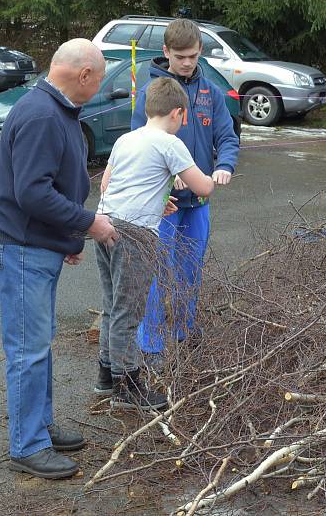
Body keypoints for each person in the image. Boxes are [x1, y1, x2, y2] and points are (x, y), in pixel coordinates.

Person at [0, 38, 118, 479]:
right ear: (83, 75)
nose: (97, 90)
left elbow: (49, 187)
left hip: (36, 245)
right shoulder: (42, 114)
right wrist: (86, 224)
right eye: (97, 81)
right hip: (21, 247)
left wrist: (65, 239)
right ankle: (27, 445)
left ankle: (37, 425)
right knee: (28, 348)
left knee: (38, 343)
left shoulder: (54, 109)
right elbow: (33, 192)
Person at [93, 77, 214, 410]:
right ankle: (127, 385)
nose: (184, 122)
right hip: (133, 234)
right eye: (184, 116)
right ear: (176, 113)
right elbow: (201, 188)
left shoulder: (126, 139)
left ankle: (106, 372)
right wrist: (213, 177)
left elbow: (108, 183)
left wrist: (158, 198)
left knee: (111, 303)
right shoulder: (169, 143)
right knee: (129, 309)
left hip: (104, 224)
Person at [130, 18, 239, 361]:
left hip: (198, 201)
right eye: (180, 57)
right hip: (163, 203)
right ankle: (150, 343)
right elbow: (140, 142)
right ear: (166, 52)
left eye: (193, 56)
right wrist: (168, 173)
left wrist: (225, 165)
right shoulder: (153, 93)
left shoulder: (211, 93)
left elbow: (227, 136)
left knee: (190, 270)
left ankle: (185, 330)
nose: (187, 63)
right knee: (157, 273)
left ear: (200, 52)